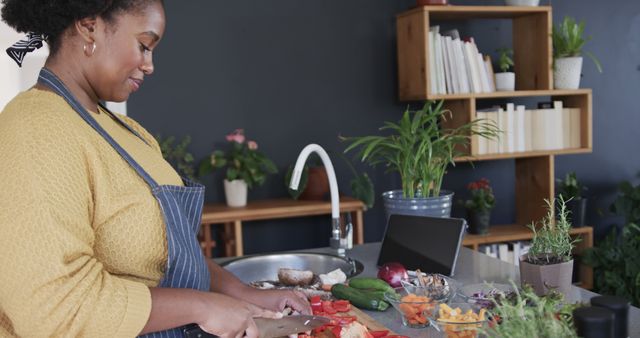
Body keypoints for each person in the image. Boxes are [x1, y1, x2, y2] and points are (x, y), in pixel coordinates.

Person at [0, 1, 311, 337]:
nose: (149, 66)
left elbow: (172, 254)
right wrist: (201, 306)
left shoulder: (131, 133)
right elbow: (55, 308)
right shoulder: (34, 130)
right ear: (90, 27)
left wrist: (244, 294)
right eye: (144, 46)